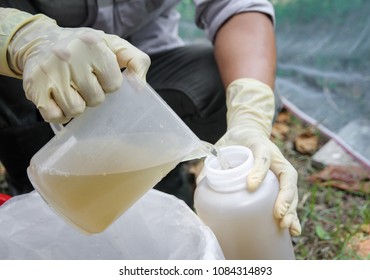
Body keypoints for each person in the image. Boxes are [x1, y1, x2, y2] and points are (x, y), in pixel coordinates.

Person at [0, 0, 301, 236]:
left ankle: (155, 175)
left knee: (221, 81)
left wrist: (249, 118)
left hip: (136, 77)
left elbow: (238, 7)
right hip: (28, 80)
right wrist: (24, 39)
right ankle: (28, 173)